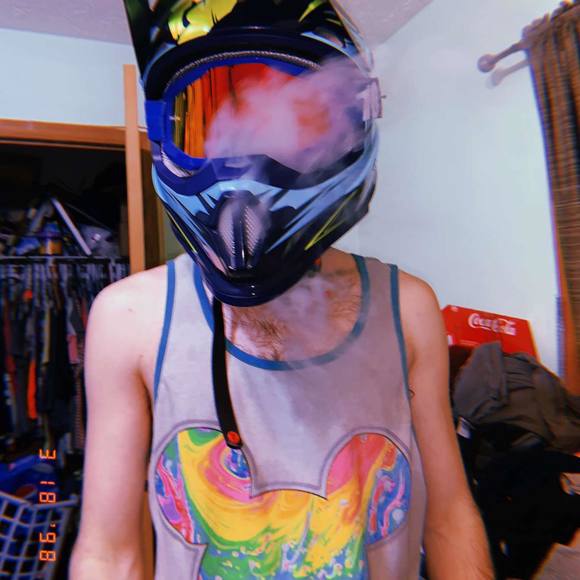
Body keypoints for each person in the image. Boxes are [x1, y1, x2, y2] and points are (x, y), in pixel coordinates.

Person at [69, 1, 494, 578]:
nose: (241, 160)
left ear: (349, 129)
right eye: (209, 121)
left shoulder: (408, 308)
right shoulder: (127, 318)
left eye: (289, 122)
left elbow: (448, 515)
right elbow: (109, 551)